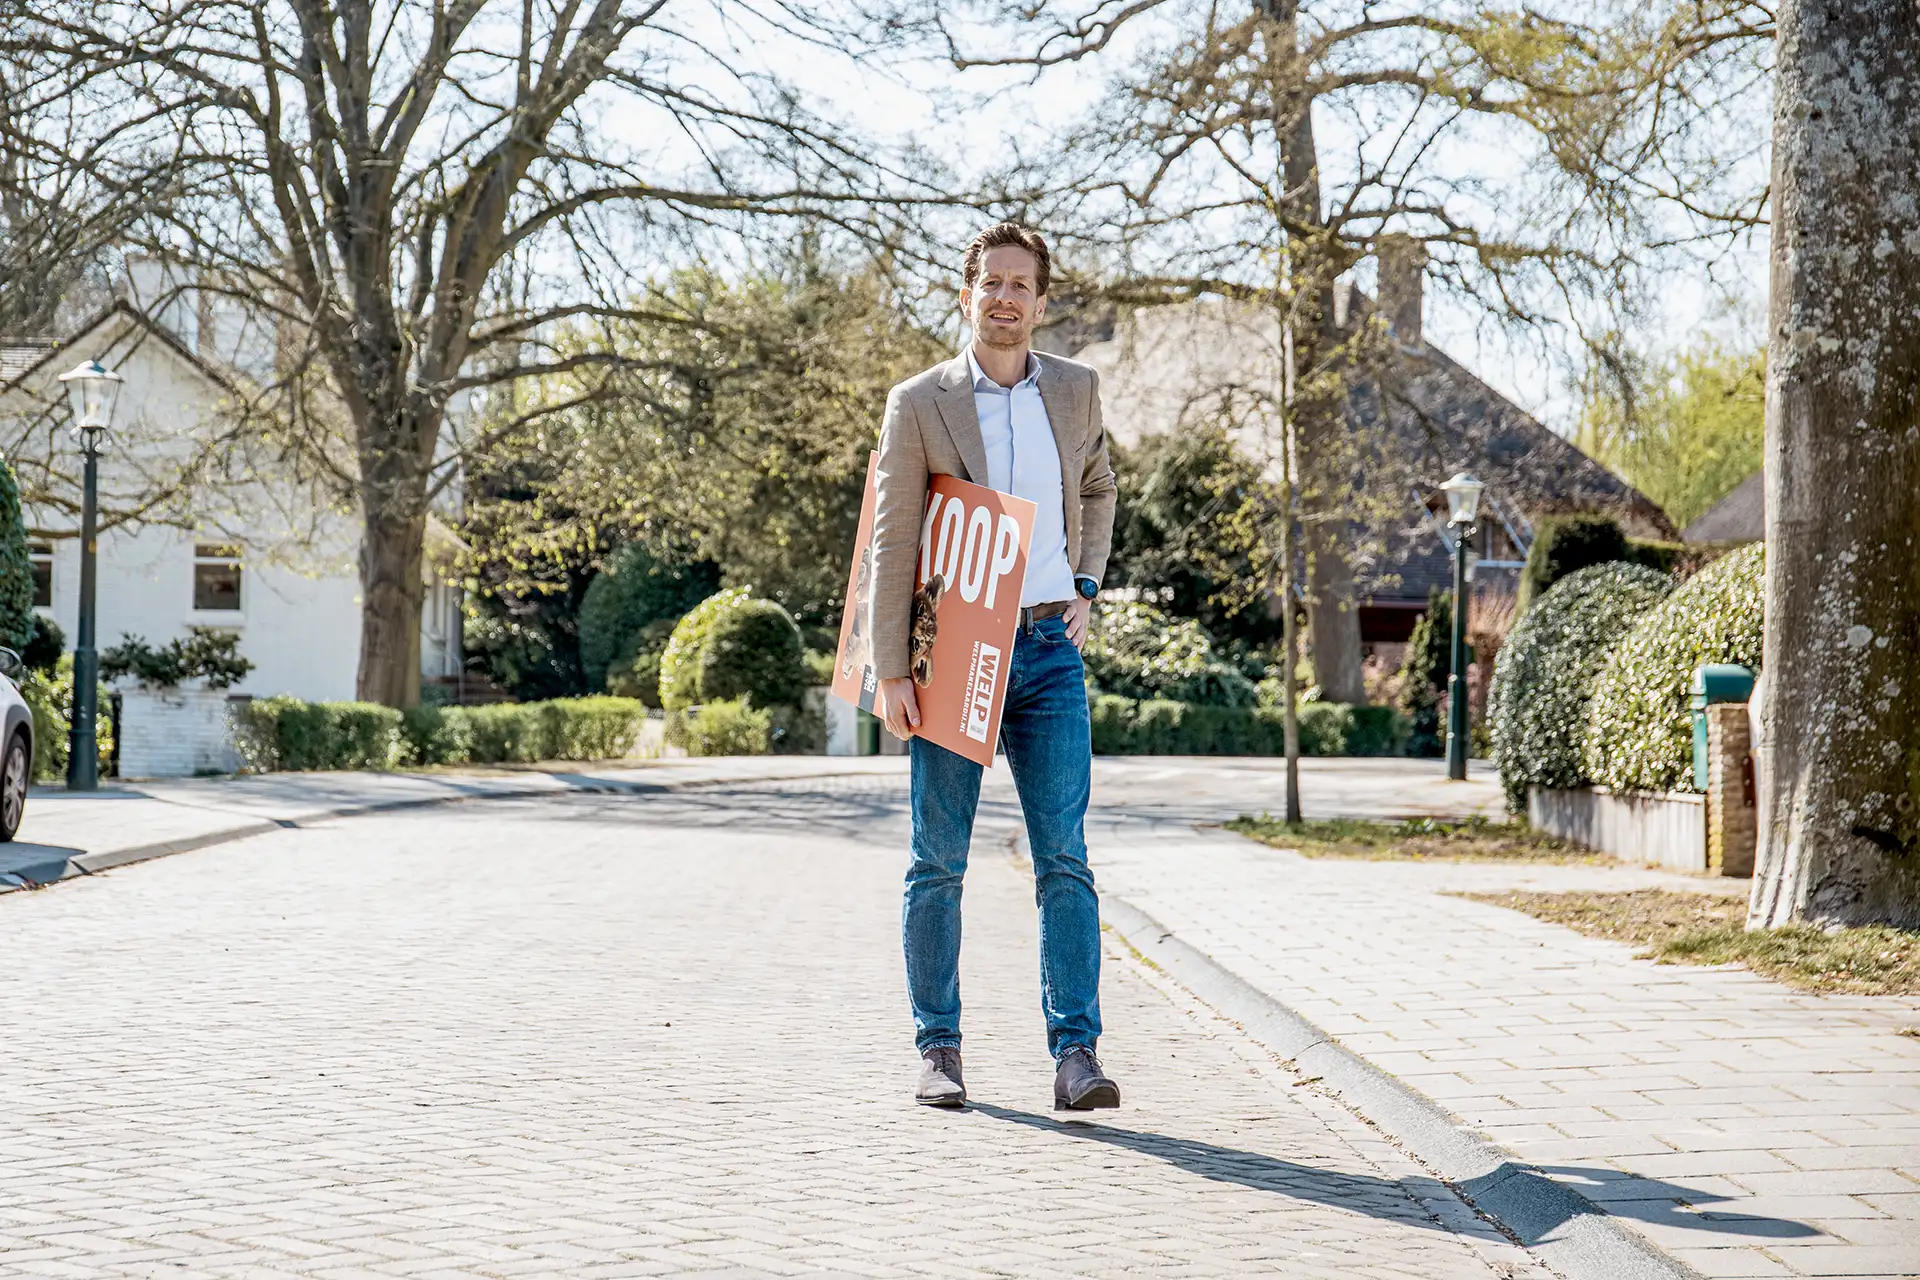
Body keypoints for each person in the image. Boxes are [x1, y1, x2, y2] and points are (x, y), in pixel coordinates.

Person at [867, 221, 1119, 1111]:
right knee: (938, 862)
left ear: (1041, 304)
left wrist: (1087, 581)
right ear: (966, 295)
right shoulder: (919, 402)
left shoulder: (1076, 390)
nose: (1005, 298)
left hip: (1049, 651)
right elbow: (895, 538)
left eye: (1021, 285)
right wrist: (890, 668)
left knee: (1066, 860)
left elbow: (1098, 486)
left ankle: (1077, 1056)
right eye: (992, 283)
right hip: (953, 653)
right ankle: (938, 1049)